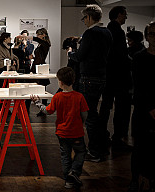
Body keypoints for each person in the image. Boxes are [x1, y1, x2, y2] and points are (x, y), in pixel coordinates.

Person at [30, 67, 88, 189]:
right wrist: (81, 124)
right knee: (81, 152)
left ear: (60, 82)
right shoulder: (79, 97)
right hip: (77, 132)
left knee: (65, 156)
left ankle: (68, 180)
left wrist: (38, 102)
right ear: (73, 80)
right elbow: (84, 114)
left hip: (62, 133)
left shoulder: (57, 97)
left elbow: (47, 111)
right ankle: (74, 172)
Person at [68, 4, 112, 162]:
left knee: (90, 116)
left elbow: (80, 56)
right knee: (97, 115)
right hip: (102, 76)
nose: (84, 21)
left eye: (84, 18)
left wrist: (71, 53)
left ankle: (94, 152)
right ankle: (103, 147)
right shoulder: (107, 32)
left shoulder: (90, 33)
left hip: (88, 78)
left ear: (89, 17)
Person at [99, 6, 132, 149]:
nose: (126, 17)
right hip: (117, 76)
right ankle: (117, 138)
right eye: (125, 14)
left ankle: (102, 135)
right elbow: (121, 56)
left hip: (108, 75)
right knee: (120, 108)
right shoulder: (117, 31)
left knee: (106, 107)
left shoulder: (107, 30)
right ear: (119, 15)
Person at [128, 21, 155, 192]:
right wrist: (151, 108)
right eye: (152, 33)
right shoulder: (139, 58)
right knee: (140, 148)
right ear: (146, 36)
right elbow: (139, 86)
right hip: (143, 110)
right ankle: (137, 180)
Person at [18, 28, 51, 116]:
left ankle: (42, 110)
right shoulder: (41, 44)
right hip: (36, 66)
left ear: (43, 35)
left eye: (38, 35)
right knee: (31, 87)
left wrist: (27, 37)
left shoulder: (45, 44)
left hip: (40, 67)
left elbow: (37, 41)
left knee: (42, 88)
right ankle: (27, 108)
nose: (37, 37)